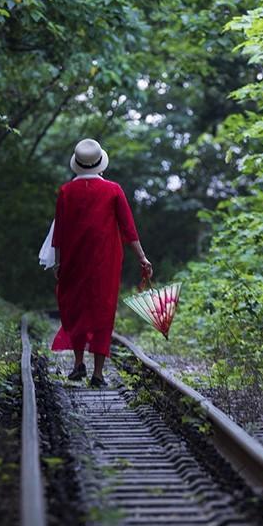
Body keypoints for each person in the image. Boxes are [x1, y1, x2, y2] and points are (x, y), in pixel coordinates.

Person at [51, 138, 152, 387]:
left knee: (74, 307)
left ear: (78, 164)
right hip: (105, 261)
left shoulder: (66, 191)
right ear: (100, 165)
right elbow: (129, 229)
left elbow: (59, 231)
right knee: (102, 311)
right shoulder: (114, 190)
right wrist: (142, 257)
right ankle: (97, 373)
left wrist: (58, 262)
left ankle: (77, 365)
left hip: (73, 260)